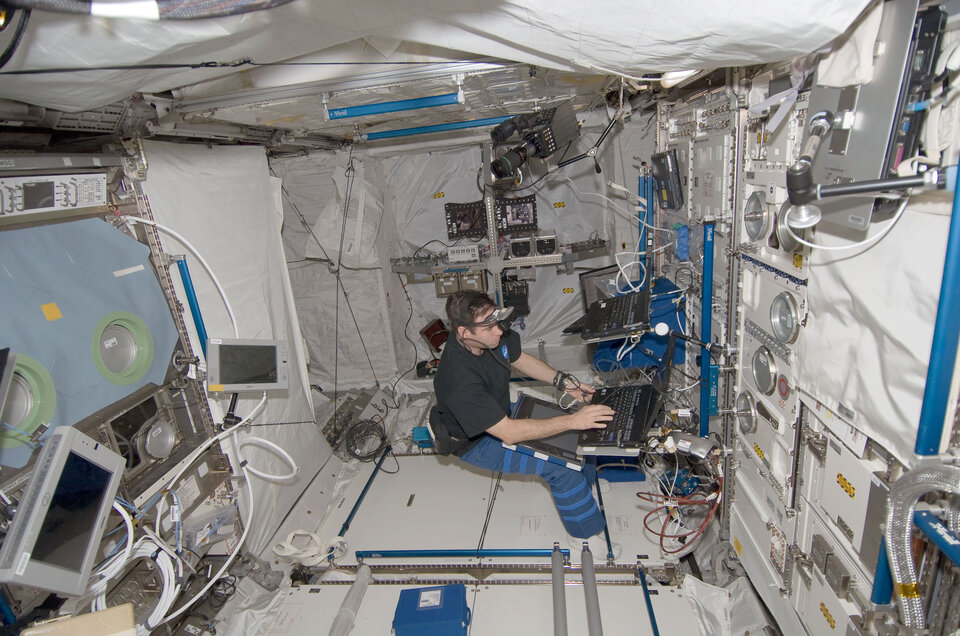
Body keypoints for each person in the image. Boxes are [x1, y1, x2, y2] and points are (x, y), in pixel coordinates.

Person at [431, 290, 615, 540]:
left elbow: (518, 357)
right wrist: (572, 420)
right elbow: (508, 432)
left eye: (496, 321)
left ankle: (585, 485)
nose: (498, 330)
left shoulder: (492, 335)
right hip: (479, 443)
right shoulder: (458, 378)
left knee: (583, 436)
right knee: (563, 470)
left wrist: (565, 383)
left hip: (500, 416)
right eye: (489, 327)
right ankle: (588, 535)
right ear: (465, 332)